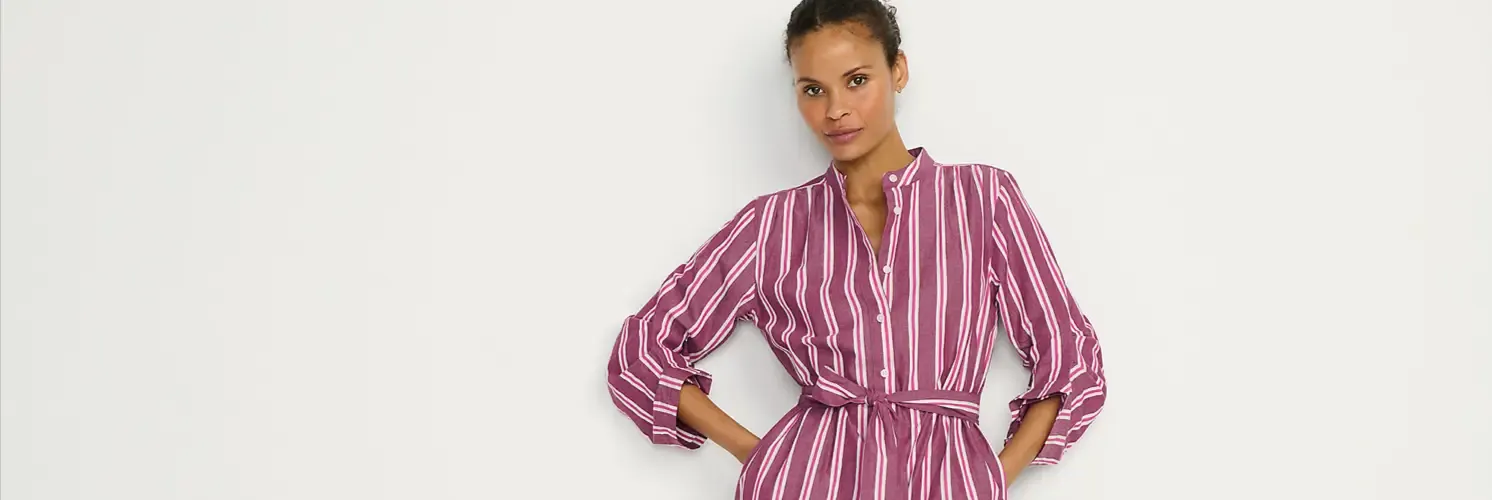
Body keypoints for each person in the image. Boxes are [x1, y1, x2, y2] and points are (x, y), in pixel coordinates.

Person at [604, 1, 1106, 498]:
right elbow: (640, 351)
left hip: (945, 483)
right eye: (813, 90)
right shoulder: (772, 225)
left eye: (857, 80)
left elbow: (1069, 354)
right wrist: (761, 459)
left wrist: (990, 479)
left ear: (898, 70)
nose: (835, 109)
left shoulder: (982, 199)